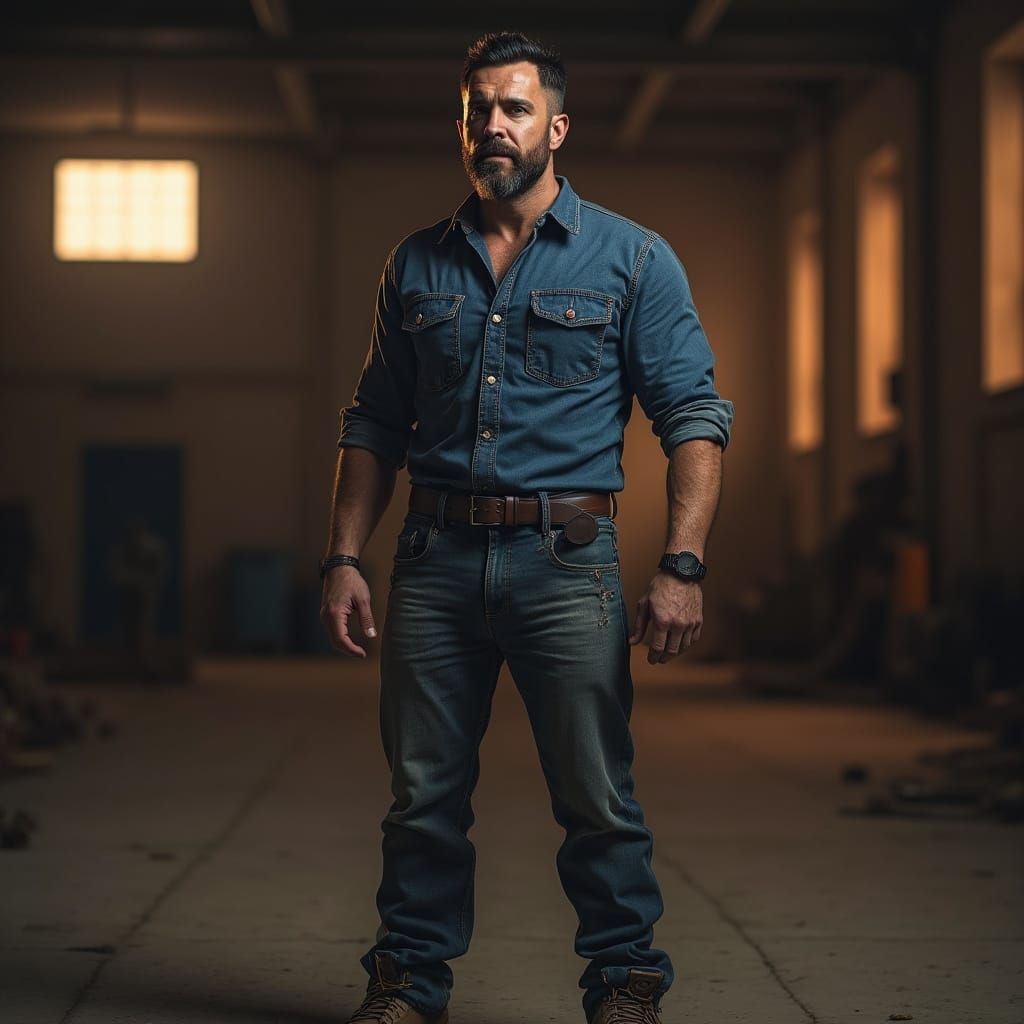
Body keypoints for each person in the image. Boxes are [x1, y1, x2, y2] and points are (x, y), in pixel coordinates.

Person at [320, 30, 734, 1024]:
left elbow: (694, 417)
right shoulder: (416, 264)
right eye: (477, 109)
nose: (491, 126)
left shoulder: (633, 258)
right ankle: (408, 985)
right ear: (459, 124)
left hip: (566, 564)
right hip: (434, 556)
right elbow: (374, 417)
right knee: (422, 796)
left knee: (596, 798)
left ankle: (625, 983)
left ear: (555, 125)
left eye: (512, 108)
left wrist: (683, 562)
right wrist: (343, 556)